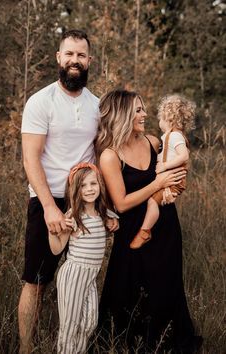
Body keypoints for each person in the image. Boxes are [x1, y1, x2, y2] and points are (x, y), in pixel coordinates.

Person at [19, 29, 118, 353]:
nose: (75, 60)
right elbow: (30, 157)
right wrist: (49, 206)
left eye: (81, 55)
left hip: (87, 202)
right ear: (59, 58)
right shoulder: (40, 101)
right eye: (69, 54)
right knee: (36, 281)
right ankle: (26, 347)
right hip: (47, 200)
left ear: (89, 60)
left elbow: (105, 154)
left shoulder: (97, 106)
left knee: (85, 277)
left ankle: (74, 343)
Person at [95, 90, 202, 353]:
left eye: (143, 109)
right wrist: (157, 183)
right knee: (128, 291)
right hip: (133, 232)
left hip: (165, 227)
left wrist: (174, 183)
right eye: (139, 110)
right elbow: (121, 203)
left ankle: (166, 343)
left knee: (166, 287)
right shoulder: (110, 155)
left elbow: (176, 168)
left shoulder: (153, 142)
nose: (145, 115)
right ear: (122, 115)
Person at [48, 162, 119, 354]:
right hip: (73, 274)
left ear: (100, 185)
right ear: (75, 190)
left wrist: (114, 223)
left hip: (90, 276)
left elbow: (114, 222)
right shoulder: (73, 216)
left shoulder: (103, 213)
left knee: (89, 323)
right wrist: (55, 232)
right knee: (70, 325)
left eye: (93, 184)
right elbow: (56, 249)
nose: (89, 189)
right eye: (83, 186)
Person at [130, 94, 196, 249]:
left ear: (169, 118)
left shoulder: (174, 136)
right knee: (154, 201)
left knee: (152, 202)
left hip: (172, 179)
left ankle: (144, 232)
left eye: (160, 118)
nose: (159, 122)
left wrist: (165, 167)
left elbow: (185, 156)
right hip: (168, 179)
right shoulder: (169, 137)